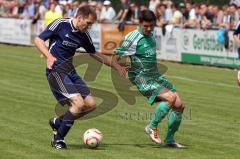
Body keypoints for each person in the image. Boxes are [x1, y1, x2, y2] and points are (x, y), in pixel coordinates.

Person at [34, 5, 126, 149]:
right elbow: (38, 40)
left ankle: (58, 122)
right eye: (88, 23)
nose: (89, 26)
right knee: (78, 103)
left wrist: (115, 65)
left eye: (91, 24)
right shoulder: (61, 24)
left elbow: (94, 53)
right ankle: (58, 139)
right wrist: (49, 56)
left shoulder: (83, 35)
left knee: (91, 105)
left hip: (70, 71)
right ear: (79, 18)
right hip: (56, 71)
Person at [115, 10, 185, 148]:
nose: (149, 29)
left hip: (155, 76)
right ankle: (151, 127)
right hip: (142, 78)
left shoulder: (151, 34)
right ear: (140, 23)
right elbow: (117, 56)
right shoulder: (132, 38)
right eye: (146, 26)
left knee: (179, 106)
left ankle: (170, 140)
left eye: (151, 26)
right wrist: (123, 66)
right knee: (171, 98)